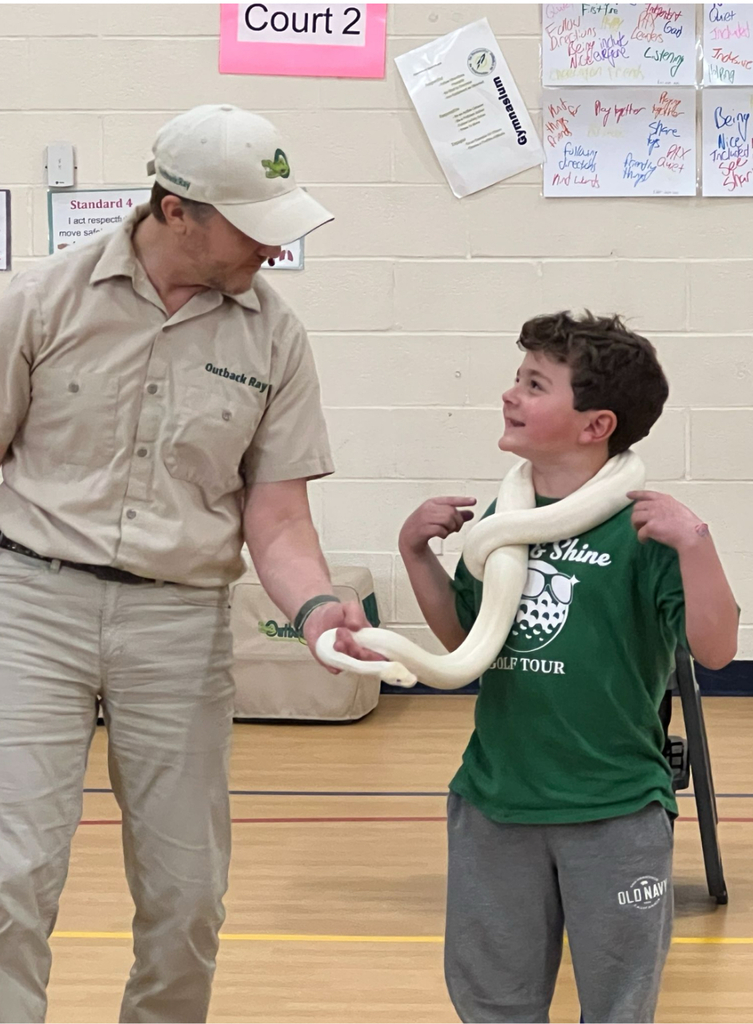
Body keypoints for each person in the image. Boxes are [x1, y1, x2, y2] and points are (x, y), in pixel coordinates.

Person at [0, 103, 382, 1024]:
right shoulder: (39, 300)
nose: (275, 250)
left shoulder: (273, 338)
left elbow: (277, 518)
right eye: (255, 228)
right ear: (176, 211)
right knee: (10, 876)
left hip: (178, 624)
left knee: (186, 894)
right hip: (29, 607)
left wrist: (319, 609)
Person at [398, 311, 739, 1024]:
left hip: (613, 811)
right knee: (493, 1001)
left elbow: (714, 650)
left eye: (533, 384)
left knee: (617, 1004)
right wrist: (416, 557)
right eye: (516, 378)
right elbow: (465, 644)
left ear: (595, 425)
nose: (509, 395)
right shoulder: (500, 517)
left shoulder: (643, 528)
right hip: (497, 802)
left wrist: (695, 546)